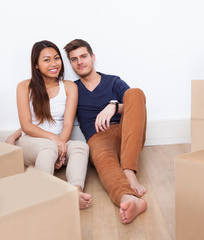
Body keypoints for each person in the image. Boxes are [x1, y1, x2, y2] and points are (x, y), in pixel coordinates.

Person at [63, 39, 147, 224]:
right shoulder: (73, 89)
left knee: (135, 93)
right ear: (70, 63)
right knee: (102, 158)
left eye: (84, 56)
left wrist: (114, 107)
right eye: (74, 59)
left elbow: (136, 105)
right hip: (98, 137)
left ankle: (129, 171)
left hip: (127, 132)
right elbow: (50, 114)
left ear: (92, 57)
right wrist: (20, 131)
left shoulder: (113, 81)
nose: (80, 62)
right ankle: (128, 199)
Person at [6, 40, 92, 210]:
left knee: (81, 147)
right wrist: (55, 141)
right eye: (46, 60)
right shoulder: (24, 87)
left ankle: (75, 192)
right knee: (48, 148)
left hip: (59, 141)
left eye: (56, 58)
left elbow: (68, 123)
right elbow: (26, 125)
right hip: (31, 141)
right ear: (36, 65)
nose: (54, 64)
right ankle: (42, 195)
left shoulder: (69, 87)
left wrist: (61, 146)